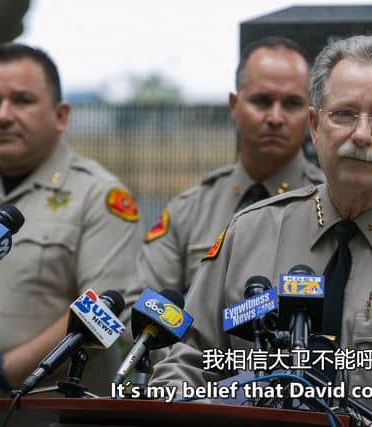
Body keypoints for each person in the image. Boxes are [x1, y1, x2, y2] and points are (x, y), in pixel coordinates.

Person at [150, 35, 372, 426]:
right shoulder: (248, 235)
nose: (362, 134)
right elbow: (184, 364)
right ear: (315, 126)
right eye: (344, 114)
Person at [0, 43, 141, 415]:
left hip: (40, 415)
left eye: (22, 101)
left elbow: (105, 317)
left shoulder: (99, 196)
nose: (3, 115)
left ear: (60, 116)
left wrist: (0, 373)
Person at [124, 37, 323, 308]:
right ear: (234, 105)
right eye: (262, 101)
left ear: (311, 116)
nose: (276, 118)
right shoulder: (189, 212)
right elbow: (139, 307)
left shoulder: (333, 206)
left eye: (291, 104)